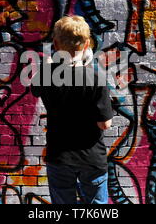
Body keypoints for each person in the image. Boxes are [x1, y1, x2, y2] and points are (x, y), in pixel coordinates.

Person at [30, 16, 114, 204]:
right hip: (91, 157)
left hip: (59, 156)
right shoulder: (95, 79)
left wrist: (50, 64)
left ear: (56, 44)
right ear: (86, 45)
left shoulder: (45, 75)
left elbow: (35, 90)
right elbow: (105, 124)